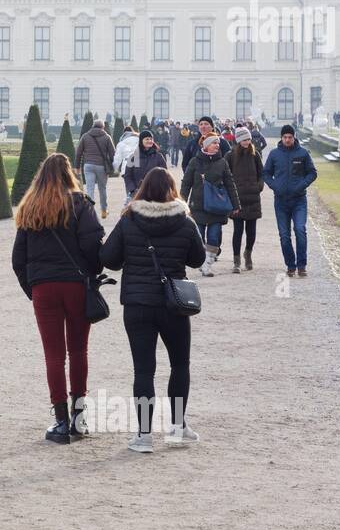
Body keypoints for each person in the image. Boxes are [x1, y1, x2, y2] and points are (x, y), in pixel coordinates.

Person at [100, 168, 206, 453]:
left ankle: (144, 434)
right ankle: (178, 425)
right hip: (174, 304)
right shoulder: (185, 220)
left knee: (144, 370)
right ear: (173, 190)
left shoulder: (129, 219)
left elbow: (109, 259)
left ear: (143, 189)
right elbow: (198, 258)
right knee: (179, 365)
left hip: (138, 303)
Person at [11, 153, 105, 445]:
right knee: (78, 351)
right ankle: (79, 418)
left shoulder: (30, 208)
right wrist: (92, 274)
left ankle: (61, 421)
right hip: (76, 285)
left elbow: (18, 259)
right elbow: (94, 247)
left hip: (44, 288)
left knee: (54, 355)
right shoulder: (81, 204)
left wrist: (34, 289)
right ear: (69, 174)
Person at [181, 134, 240, 276]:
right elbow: (186, 184)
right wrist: (182, 203)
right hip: (198, 206)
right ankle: (202, 262)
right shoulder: (194, 162)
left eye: (218, 143)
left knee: (214, 238)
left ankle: (208, 264)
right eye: (214, 143)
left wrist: (236, 204)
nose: (217, 145)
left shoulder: (222, 162)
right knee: (199, 237)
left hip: (216, 207)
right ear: (205, 145)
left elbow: (230, 184)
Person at [263, 123, 317, 278]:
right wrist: (275, 186)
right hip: (280, 201)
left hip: (299, 200)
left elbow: (312, 173)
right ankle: (290, 265)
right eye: (285, 137)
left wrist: (301, 185)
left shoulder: (303, 153)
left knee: (300, 230)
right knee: (284, 235)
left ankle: (302, 265)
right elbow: (266, 173)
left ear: (294, 138)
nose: (287, 140)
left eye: (290, 137)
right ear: (281, 138)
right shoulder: (274, 154)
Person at [227, 127, 263, 273]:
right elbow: (226, 175)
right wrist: (231, 192)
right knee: (238, 231)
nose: (247, 142)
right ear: (238, 140)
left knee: (251, 231)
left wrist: (259, 186)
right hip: (237, 199)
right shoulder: (230, 156)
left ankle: (248, 254)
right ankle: (236, 260)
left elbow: (262, 173)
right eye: (244, 139)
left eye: (248, 139)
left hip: (253, 197)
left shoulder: (256, 155)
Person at [74, 117, 116, 219]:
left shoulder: (85, 136)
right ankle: (104, 210)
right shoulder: (107, 137)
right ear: (103, 127)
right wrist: (113, 167)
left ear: (93, 126)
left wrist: (77, 167)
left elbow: (78, 153)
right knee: (102, 189)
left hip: (88, 165)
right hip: (101, 166)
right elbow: (113, 154)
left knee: (90, 188)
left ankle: (90, 212)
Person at [123, 129, 166, 202]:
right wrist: (133, 190)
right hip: (138, 194)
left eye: (151, 139)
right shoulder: (133, 157)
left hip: (155, 194)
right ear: (141, 141)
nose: (150, 141)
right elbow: (127, 176)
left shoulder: (159, 157)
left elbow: (164, 174)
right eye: (147, 139)